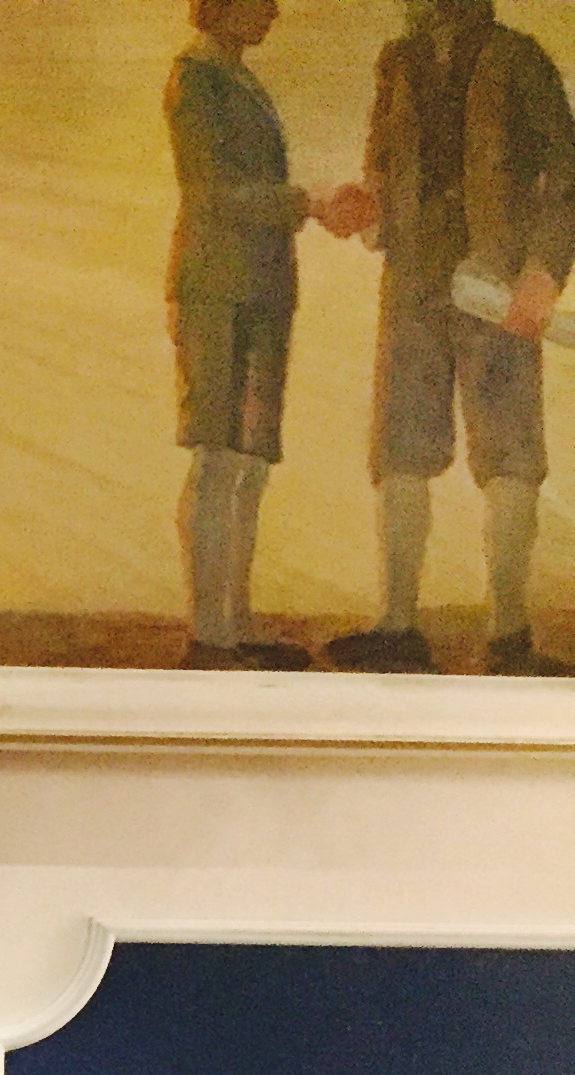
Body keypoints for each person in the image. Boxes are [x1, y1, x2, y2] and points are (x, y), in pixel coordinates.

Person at [325, 0, 575, 674]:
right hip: (413, 280)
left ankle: (509, 637)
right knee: (401, 446)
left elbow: (566, 178)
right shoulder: (398, 61)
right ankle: (397, 625)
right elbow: (382, 165)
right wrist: (367, 206)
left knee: (510, 450)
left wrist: (543, 272)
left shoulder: (518, 58)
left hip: (498, 285)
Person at [168, 0, 372, 668]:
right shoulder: (196, 77)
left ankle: (235, 623)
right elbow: (214, 194)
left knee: (250, 460)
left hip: (259, 289)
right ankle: (210, 634)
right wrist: (309, 203)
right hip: (216, 289)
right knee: (217, 454)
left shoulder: (234, 76)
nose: (274, 10)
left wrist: (312, 204)